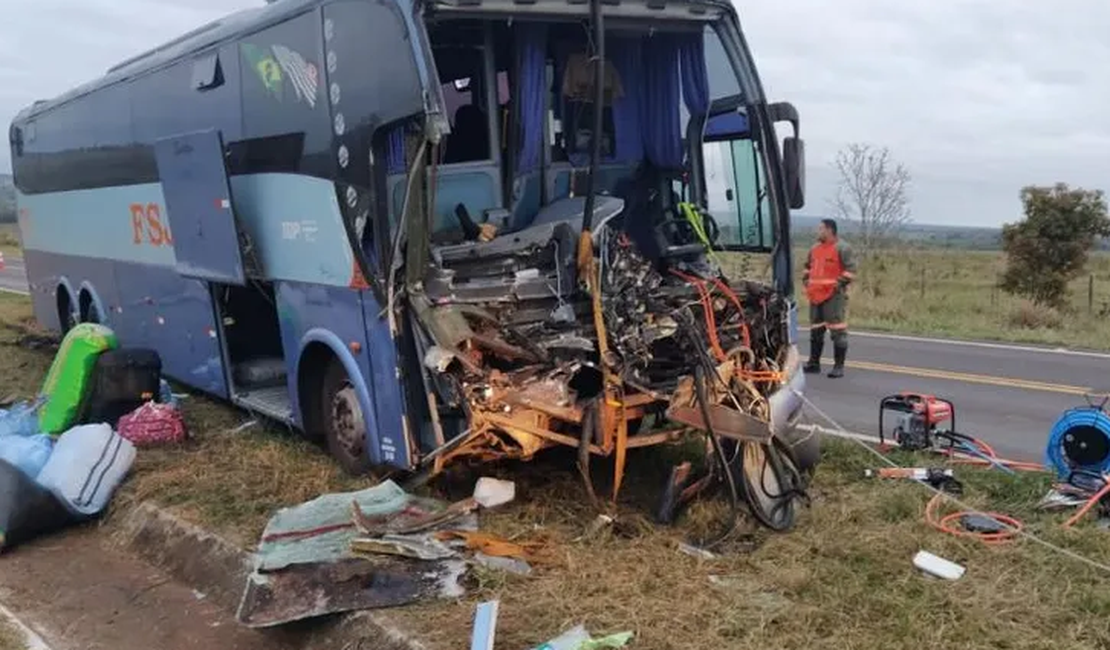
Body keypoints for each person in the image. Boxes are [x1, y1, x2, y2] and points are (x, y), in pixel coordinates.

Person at [802, 218, 857, 378]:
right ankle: (813, 363)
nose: (818, 232)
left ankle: (838, 367)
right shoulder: (814, 249)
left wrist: (838, 284)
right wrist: (806, 282)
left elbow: (851, 270)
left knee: (837, 331)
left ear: (830, 230)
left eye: (821, 229)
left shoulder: (843, 248)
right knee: (816, 330)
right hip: (815, 296)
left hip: (834, 297)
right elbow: (807, 268)